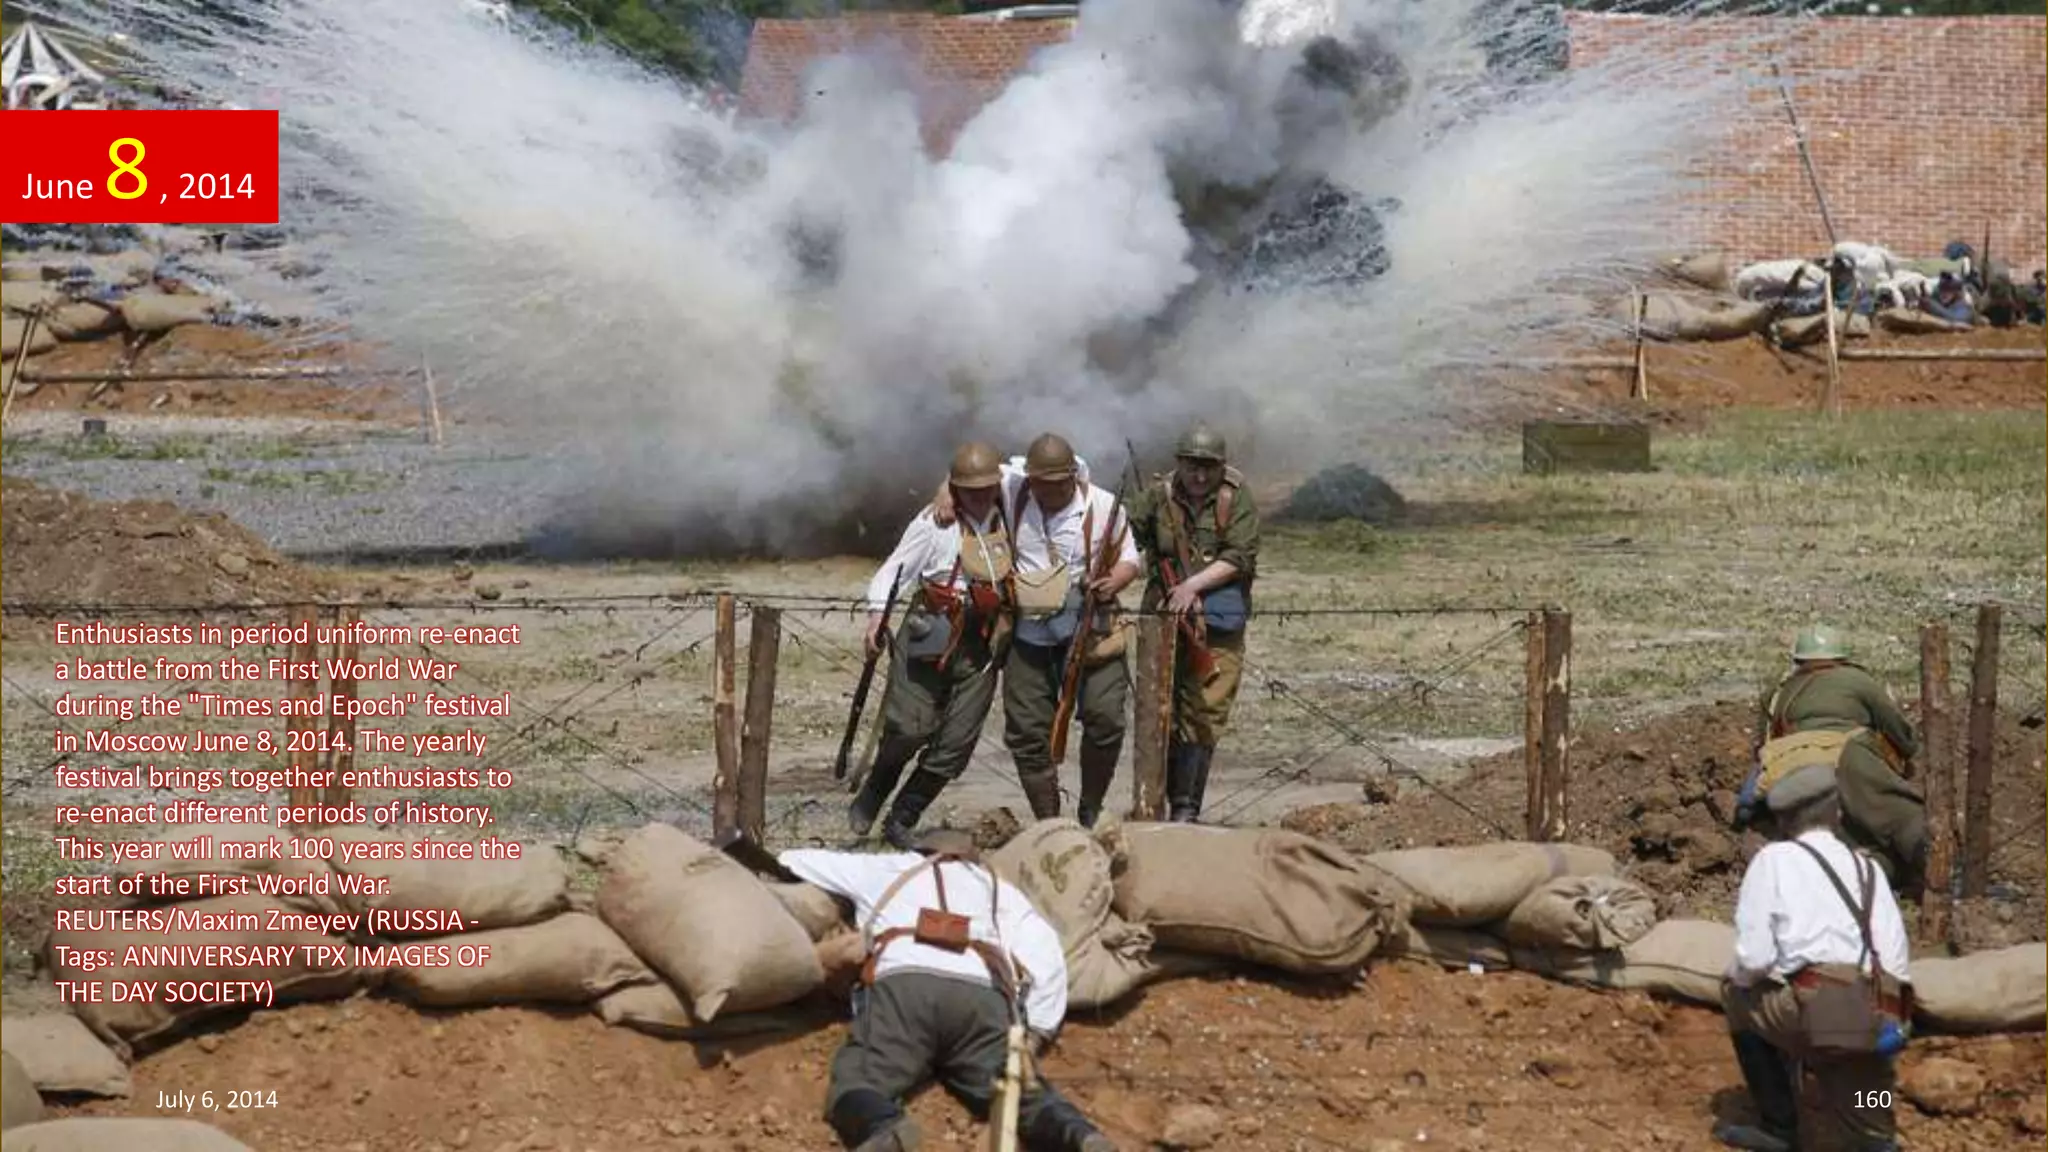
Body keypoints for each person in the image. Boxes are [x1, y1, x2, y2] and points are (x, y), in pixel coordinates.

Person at [780, 828, 1118, 1152]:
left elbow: (794, 860)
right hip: (981, 997)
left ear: (919, 849)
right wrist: (1037, 1031)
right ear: (973, 857)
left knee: (859, 1081)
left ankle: (884, 1128)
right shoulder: (999, 889)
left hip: (905, 988)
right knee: (1019, 1093)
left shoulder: (886, 867)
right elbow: (1047, 957)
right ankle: (1078, 1135)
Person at [1717, 764, 1911, 1152]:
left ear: (1783, 821)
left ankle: (1778, 1126)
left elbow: (1754, 959)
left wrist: (1746, 979)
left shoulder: (1773, 861)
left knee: (1735, 993)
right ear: (1837, 813)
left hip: (1812, 1014)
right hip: (1874, 1020)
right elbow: (1896, 963)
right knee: (1872, 1120)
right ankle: (1874, 1124)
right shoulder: (1869, 869)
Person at [850, 442, 1017, 849]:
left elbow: (1058, 469)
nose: (980, 496)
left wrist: (948, 483)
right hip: (932, 628)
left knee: (956, 744)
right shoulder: (933, 523)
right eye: (969, 490)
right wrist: (877, 616)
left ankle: (903, 817)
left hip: (982, 642)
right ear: (957, 488)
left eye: (986, 488)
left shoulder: (1012, 510)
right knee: (909, 728)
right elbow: (894, 571)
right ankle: (874, 791)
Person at [991, 433, 1141, 825]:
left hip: (1090, 628)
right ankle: (1050, 823)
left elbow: (1130, 559)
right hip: (1029, 633)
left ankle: (1090, 808)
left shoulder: (1103, 505)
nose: (1048, 491)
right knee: (1026, 732)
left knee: (1106, 719)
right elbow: (967, 475)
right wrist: (943, 491)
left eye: (1057, 483)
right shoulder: (1013, 489)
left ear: (1073, 476)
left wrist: (1114, 581)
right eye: (1040, 483)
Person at [1124, 424, 1261, 822]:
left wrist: (1192, 586)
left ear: (1221, 466)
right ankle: (1156, 803)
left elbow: (1240, 556)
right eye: (1192, 466)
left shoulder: (1235, 496)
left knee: (1204, 711)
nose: (1200, 476)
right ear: (1179, 463)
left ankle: (1186, 808)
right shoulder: (1158, 495)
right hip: (1164, 619)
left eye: (1208, 467)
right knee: (1158, 709)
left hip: (1217, 620)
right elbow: (1123, 536)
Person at [1749, 626, 1928, 888]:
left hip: (1790, 774)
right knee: (1903, 817)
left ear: (1798, 659)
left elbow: (1762, 743)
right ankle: (1946, 874)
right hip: (1848, 757)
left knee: (1848, 842)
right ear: (1842, 657)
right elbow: (1901, 734)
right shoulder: (1856, 680)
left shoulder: (1775, 693)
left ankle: (1862, 878)